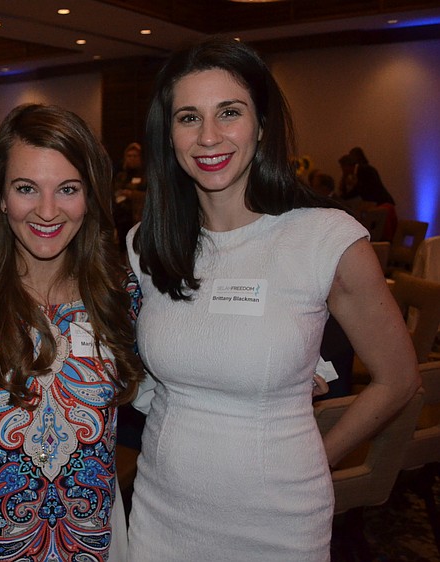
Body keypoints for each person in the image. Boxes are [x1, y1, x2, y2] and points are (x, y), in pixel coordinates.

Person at [126, 37, 420, 561]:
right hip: (161, 514)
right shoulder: (146, 242)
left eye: (229, 113)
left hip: (278, 522)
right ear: (167, 134)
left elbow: (399, 379)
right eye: (188, 117)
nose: (208, 136)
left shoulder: (324, 239)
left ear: (262, 126)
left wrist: (315, 460)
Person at [0, 103, 142, 561]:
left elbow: (175, 392)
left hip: (92, 543)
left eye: (68, 188)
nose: (48, 211)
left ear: (90, 197)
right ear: (1, 196)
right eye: (27, 188)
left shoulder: (121, 297)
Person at [111, 142, 146, 250]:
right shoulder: (121, 174)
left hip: (139, 218)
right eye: (129, 156)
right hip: (121, 217)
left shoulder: (147, 175)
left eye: (135, 156)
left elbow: (152, 196)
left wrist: (132, 195)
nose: (132, 159)